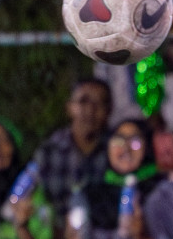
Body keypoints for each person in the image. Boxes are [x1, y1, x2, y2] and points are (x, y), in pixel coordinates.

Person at [29, 79, 113, 211]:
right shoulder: (49, 151)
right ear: (69, 108)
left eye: (99, 103)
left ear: (109, 110)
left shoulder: (117, 150)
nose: (90, 110)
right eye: (83, 101)